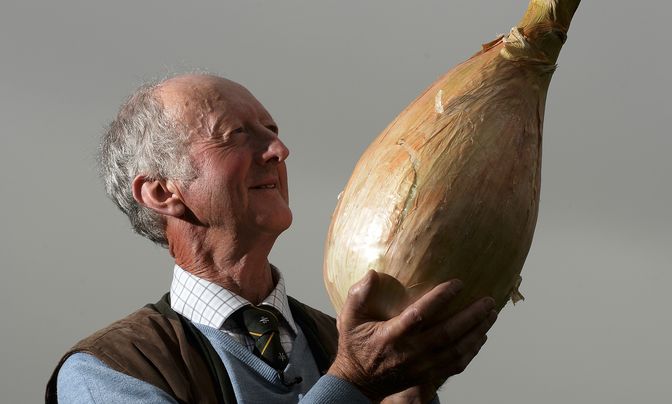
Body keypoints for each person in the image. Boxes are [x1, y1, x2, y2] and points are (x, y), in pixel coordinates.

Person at [46, 74, 498, 403]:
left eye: (273, 131)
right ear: (162, 192)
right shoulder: (111, 370)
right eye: (236, 135)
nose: (278, 151)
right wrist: (354, 385)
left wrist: (412, 386)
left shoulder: (361, 342)